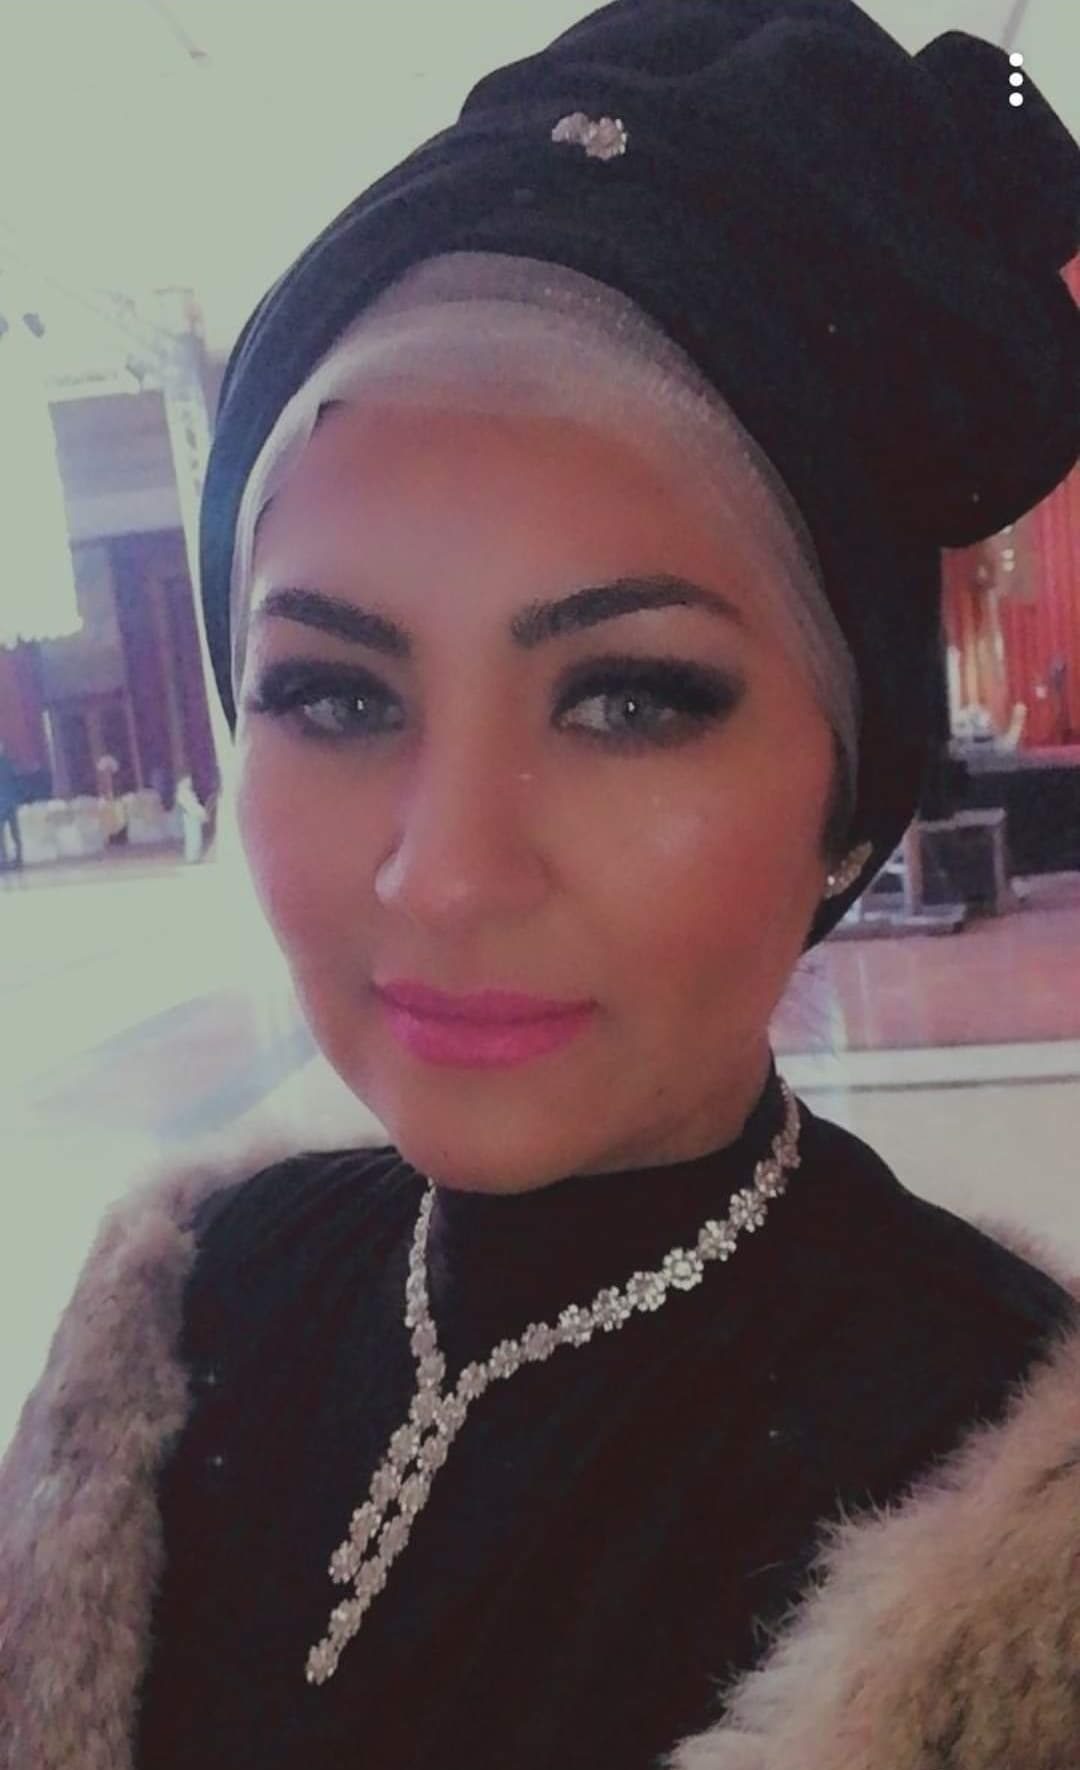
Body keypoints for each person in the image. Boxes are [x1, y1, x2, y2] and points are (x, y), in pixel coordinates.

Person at [2, 3, 1079, 1766]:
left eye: (631, 699)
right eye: (335, 694)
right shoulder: (191, 1315)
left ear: (848, 790)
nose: (445, 875)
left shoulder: (1004, 1490)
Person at [0, 741, 23, 869]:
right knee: (13, 832)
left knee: (7, 833)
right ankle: (14, 857)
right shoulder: (8, 763)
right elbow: (16, 781)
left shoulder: (7, 763)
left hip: (5, 803)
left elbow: (15, 781)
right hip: (9, 802)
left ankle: (6, 859)